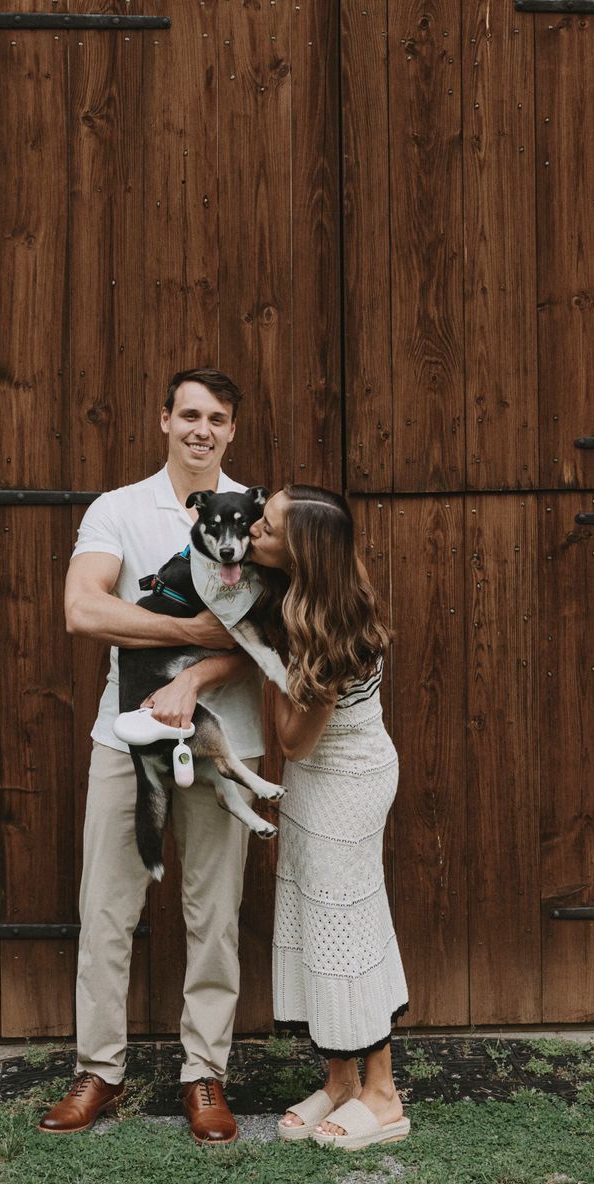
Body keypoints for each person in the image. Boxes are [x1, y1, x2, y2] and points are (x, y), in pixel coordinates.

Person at [42, 368, 262, 1145]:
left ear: (231, 431)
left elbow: (270, 637)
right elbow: (82, 608)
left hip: (221, 742)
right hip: (126, 735)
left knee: (215, 916)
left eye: (218, 418)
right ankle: (99, 1071)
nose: (203, 429)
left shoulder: (257, 514)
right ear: (164, 419)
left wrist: (204, 665)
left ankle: (204, 1075)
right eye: (190, 414)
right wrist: (191, 633)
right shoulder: (119, 509)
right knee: (105, 911)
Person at [244, 485, 411, 1150]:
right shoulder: (317, 587)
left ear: (302, 554)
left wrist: (262, 651)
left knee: (347, 929)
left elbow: (291, 740)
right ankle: (340, 1081)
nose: (255, 528)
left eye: (269, 527)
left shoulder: (330, 629)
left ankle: (384, 1095)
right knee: (318, 921)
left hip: (347, 780)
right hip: (315, 783)